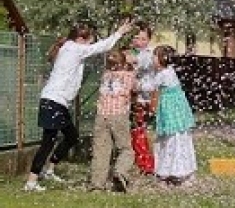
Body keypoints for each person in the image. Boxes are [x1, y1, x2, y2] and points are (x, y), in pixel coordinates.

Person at [24, 19, 132, 192]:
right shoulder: (74, 49)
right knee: (47, 142)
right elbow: (100, 47)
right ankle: (31, 181)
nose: (91, 43)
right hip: (53, 101)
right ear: (81, 39)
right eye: (90, 39)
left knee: (71, 136)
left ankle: (49, 170)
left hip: (57, 102)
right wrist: (119, 33)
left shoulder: (69, 47)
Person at [90, 50, 136, 193]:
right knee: (126, 149)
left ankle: (97, 185)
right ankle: (120, 172)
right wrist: (131, 64)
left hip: (101, 115)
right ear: (123, 63)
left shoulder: (105, 75)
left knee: (101, 151)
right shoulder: (128, 76)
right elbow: (135, 88)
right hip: (118, 115)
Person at [151, 45, 197, 187]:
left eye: (154, 56)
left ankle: (172, 172)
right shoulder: (170, 71)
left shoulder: (162, 75)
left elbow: (151, 89)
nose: (152, 59)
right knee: (178, 139)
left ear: (162, 59)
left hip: (170, 113)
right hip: (177, 113)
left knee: (171, 140)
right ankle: (183, 171)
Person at [125, 21, 155, 174]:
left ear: (149, 40)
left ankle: (145, 163)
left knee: (139, 129)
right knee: (133, 130)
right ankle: (139, 160)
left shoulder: (149, 54)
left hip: (143, 98)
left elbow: (136, 62)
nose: (139, 42)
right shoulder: (134, 52)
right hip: (131, 97)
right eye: (136, 38)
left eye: (143, 39)